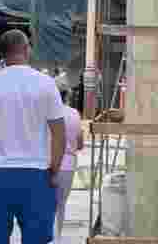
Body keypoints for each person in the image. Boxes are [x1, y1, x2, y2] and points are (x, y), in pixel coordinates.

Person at [0, 30, 66, 244]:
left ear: (2, 54)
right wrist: (54, 170)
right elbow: (60, 134)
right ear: (27, 49)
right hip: (36, 174)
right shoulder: (46, 84)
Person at [53, 89, 84, 240]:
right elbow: (80, 144)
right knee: (61, 204)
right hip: (68, 164)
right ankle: (57, 237)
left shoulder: (46, 112)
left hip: (48, 162)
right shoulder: (74, 114)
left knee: (45, 204)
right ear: (67, 96)